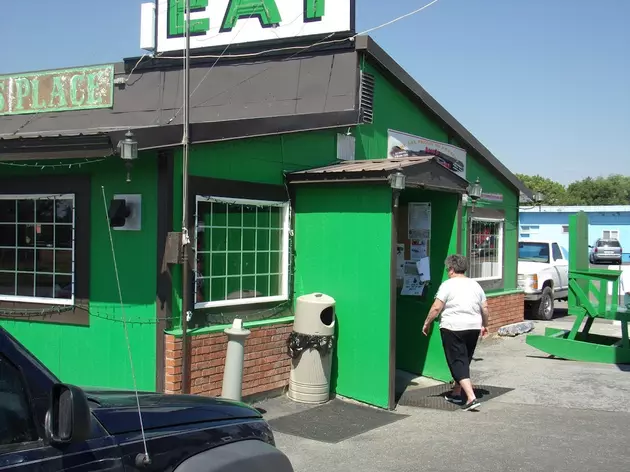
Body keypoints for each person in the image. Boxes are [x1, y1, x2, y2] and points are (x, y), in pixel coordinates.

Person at [422, 254, 489, 411]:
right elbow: (485, 308)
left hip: (453, 327)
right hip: (473, 326)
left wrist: (427, 322)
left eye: (447, 269)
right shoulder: (475, 285)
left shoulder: (447, 285)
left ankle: (471, 398)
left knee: (457, 361)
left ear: (451, 269)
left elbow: (436, 307)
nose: (447, 271)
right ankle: (457, 392)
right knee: (464, 359)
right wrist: (485, 324)